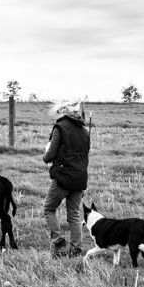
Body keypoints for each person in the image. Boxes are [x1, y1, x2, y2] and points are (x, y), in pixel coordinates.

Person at [42, 100, 91, 258]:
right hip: (80, 178)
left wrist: (46, 154)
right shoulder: (84, 131)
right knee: (74, 214)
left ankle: (58, 242)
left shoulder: (60, 128)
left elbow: (49, 155)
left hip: (63, 177)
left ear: (63, 111)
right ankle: (76, 249)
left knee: (49, 209)